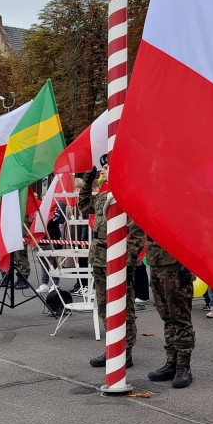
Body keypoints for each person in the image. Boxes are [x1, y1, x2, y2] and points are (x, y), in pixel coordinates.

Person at [80, 155, 141, 368]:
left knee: (124, 307)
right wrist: (87, 183)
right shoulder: (104, 196)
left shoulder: (128, 197)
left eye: (106, 167)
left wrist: (129, 261)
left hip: (118, 260)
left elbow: (137, 232)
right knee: (105, 306)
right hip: (99, 258)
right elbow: (83, 205)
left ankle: (126, 351)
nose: (103, 170)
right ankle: (112, 348)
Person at [142, 232, 195, 388]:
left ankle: (183, 367)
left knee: (180, 317)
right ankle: (171, 362)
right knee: (166, 316)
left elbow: (194, 231)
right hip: (155, 260)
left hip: (175, 264)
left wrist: (189, 262)